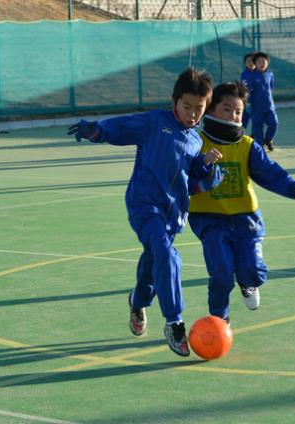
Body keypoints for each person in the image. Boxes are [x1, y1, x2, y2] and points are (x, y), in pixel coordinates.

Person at [67, 68, 223, 357]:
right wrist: (97, 130)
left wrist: (208, 167)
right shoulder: (154, 122)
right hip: (144, 207)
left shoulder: (196, 141)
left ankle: (137, 301)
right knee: (167, 255)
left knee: (154, 263)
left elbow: (194, 177)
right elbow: (121, 127)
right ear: (174, 101)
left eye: (198, 109)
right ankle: (174, 322)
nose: (191, 114)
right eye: (186, 106)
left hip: (173, 216)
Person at [188, 81, 295, 324]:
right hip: (209, 219)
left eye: (238, 111)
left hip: (246, 219)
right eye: (227, 109)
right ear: (211, 109)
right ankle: (219, 319)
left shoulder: (247, 146)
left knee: (252, 271)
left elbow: (270, 172)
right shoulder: (195, 142)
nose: (233, 115)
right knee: (222, 272)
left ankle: (248, 283)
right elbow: (181, 176)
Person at [247, 52, 278, 152]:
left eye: (264, 61)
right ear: (255, 63)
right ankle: (260, 147)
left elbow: (271, 88)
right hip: (256, 109)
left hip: (270, 108)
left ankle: (268, 140)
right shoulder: (252, 76)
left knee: (274, 124)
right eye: (259, 61)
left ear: (267, 62)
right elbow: (248, 90)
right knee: (257, 129)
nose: (262, 63)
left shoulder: (270, 74)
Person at [240, 52, 255, 129]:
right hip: (247, 102)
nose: (251, 63)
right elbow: (244, 87)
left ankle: (255, 135)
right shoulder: (244, 74)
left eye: (253, 61)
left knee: (257, 121)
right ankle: (240, 135)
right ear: (245, 63)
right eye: (248, 61)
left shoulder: (259, 74)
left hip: (257, 103)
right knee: (244, 119)